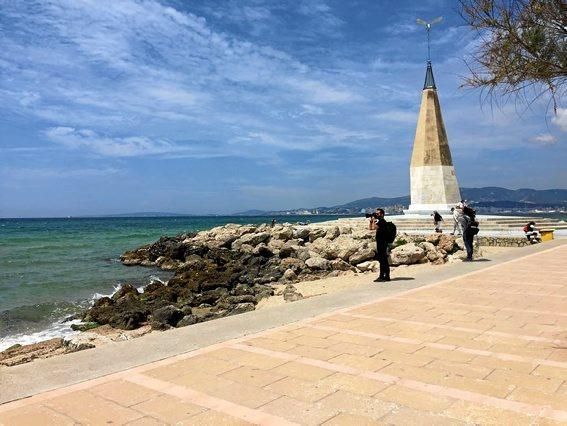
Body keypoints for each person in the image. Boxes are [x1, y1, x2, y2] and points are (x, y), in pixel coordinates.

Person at [373, 208, 390, 282]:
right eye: (376, 213)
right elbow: (371, 228)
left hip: (382, 243)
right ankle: (384, 276)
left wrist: (373, 221)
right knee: (382, 260)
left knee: (383, 260)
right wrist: (371, 221)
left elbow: (374, 227)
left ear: (382, 214)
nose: (376, 215)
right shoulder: (380, 221)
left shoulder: (382, 222)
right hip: (380, 243)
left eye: (378, 214)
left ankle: (384, 276)